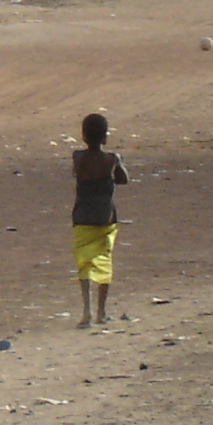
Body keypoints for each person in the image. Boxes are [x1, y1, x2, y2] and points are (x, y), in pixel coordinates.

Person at [72, 112, 129, 329]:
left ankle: (86, 310)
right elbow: (123, 180)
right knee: (104, 259)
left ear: (84, 136)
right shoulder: (111, 159)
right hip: (105, 216)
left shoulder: (78, 157)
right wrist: (118, 163)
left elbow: (76, 173)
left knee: (84, 261)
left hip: (82, 215)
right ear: (105, 136)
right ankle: (101, 312)